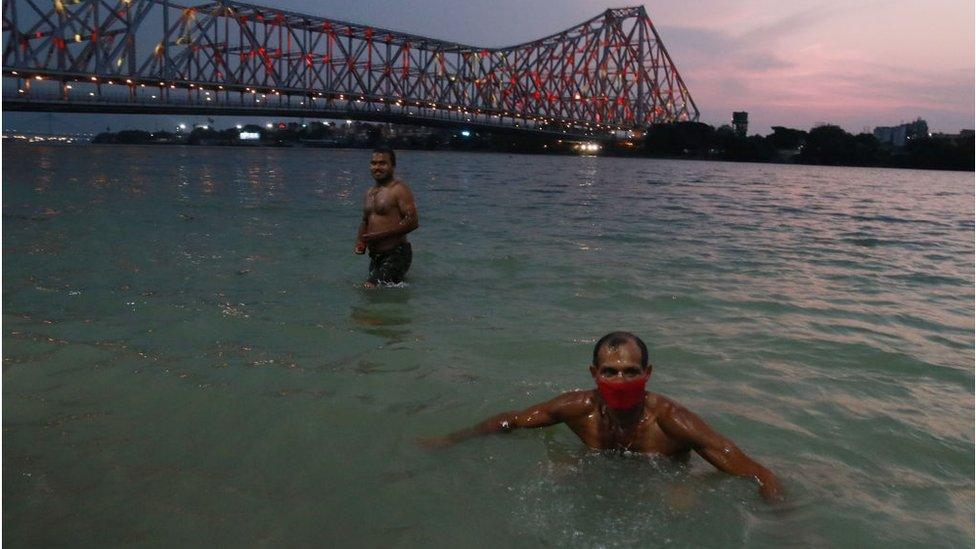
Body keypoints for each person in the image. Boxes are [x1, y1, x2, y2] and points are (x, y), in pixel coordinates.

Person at [422, 331, 783, 501]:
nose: (620, 380)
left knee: (679, 504)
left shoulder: (671, 422)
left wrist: (782, 522)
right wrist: (453, 440)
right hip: (599, 470)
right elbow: (512, 421)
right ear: (594, 373)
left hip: (659, 483)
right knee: (556, 473)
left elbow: (755, 472)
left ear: (648, 373)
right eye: (610, 372)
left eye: (630, 371)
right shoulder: (578, 409)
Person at [354, 146, 419, 288]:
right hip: (376, 256)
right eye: (374, 163)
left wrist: (379, 236)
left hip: (397, 253)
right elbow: (365, 220)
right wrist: (360, 242)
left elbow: (413, 222)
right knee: (379, 295)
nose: (377, 167)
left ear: (393, 166)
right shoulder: (369, 193)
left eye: (382, 163)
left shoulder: (399, 189)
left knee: (368, 288)